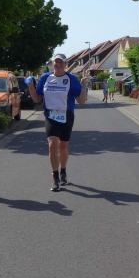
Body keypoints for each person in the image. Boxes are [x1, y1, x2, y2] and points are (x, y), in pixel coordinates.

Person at [29, 53, 89, 191]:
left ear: (65, 64)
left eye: (61, 62)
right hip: (50, 115)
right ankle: (55, 177)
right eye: (56, 62)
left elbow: (81, 101)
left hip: (67, 115)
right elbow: (37, 99)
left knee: (63, 146)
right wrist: (31, 86)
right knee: (52, 144)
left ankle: (63, 171)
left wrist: (84, 85)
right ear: (53, 63)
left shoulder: (71, 79)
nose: (58, 64)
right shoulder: (45, 78)